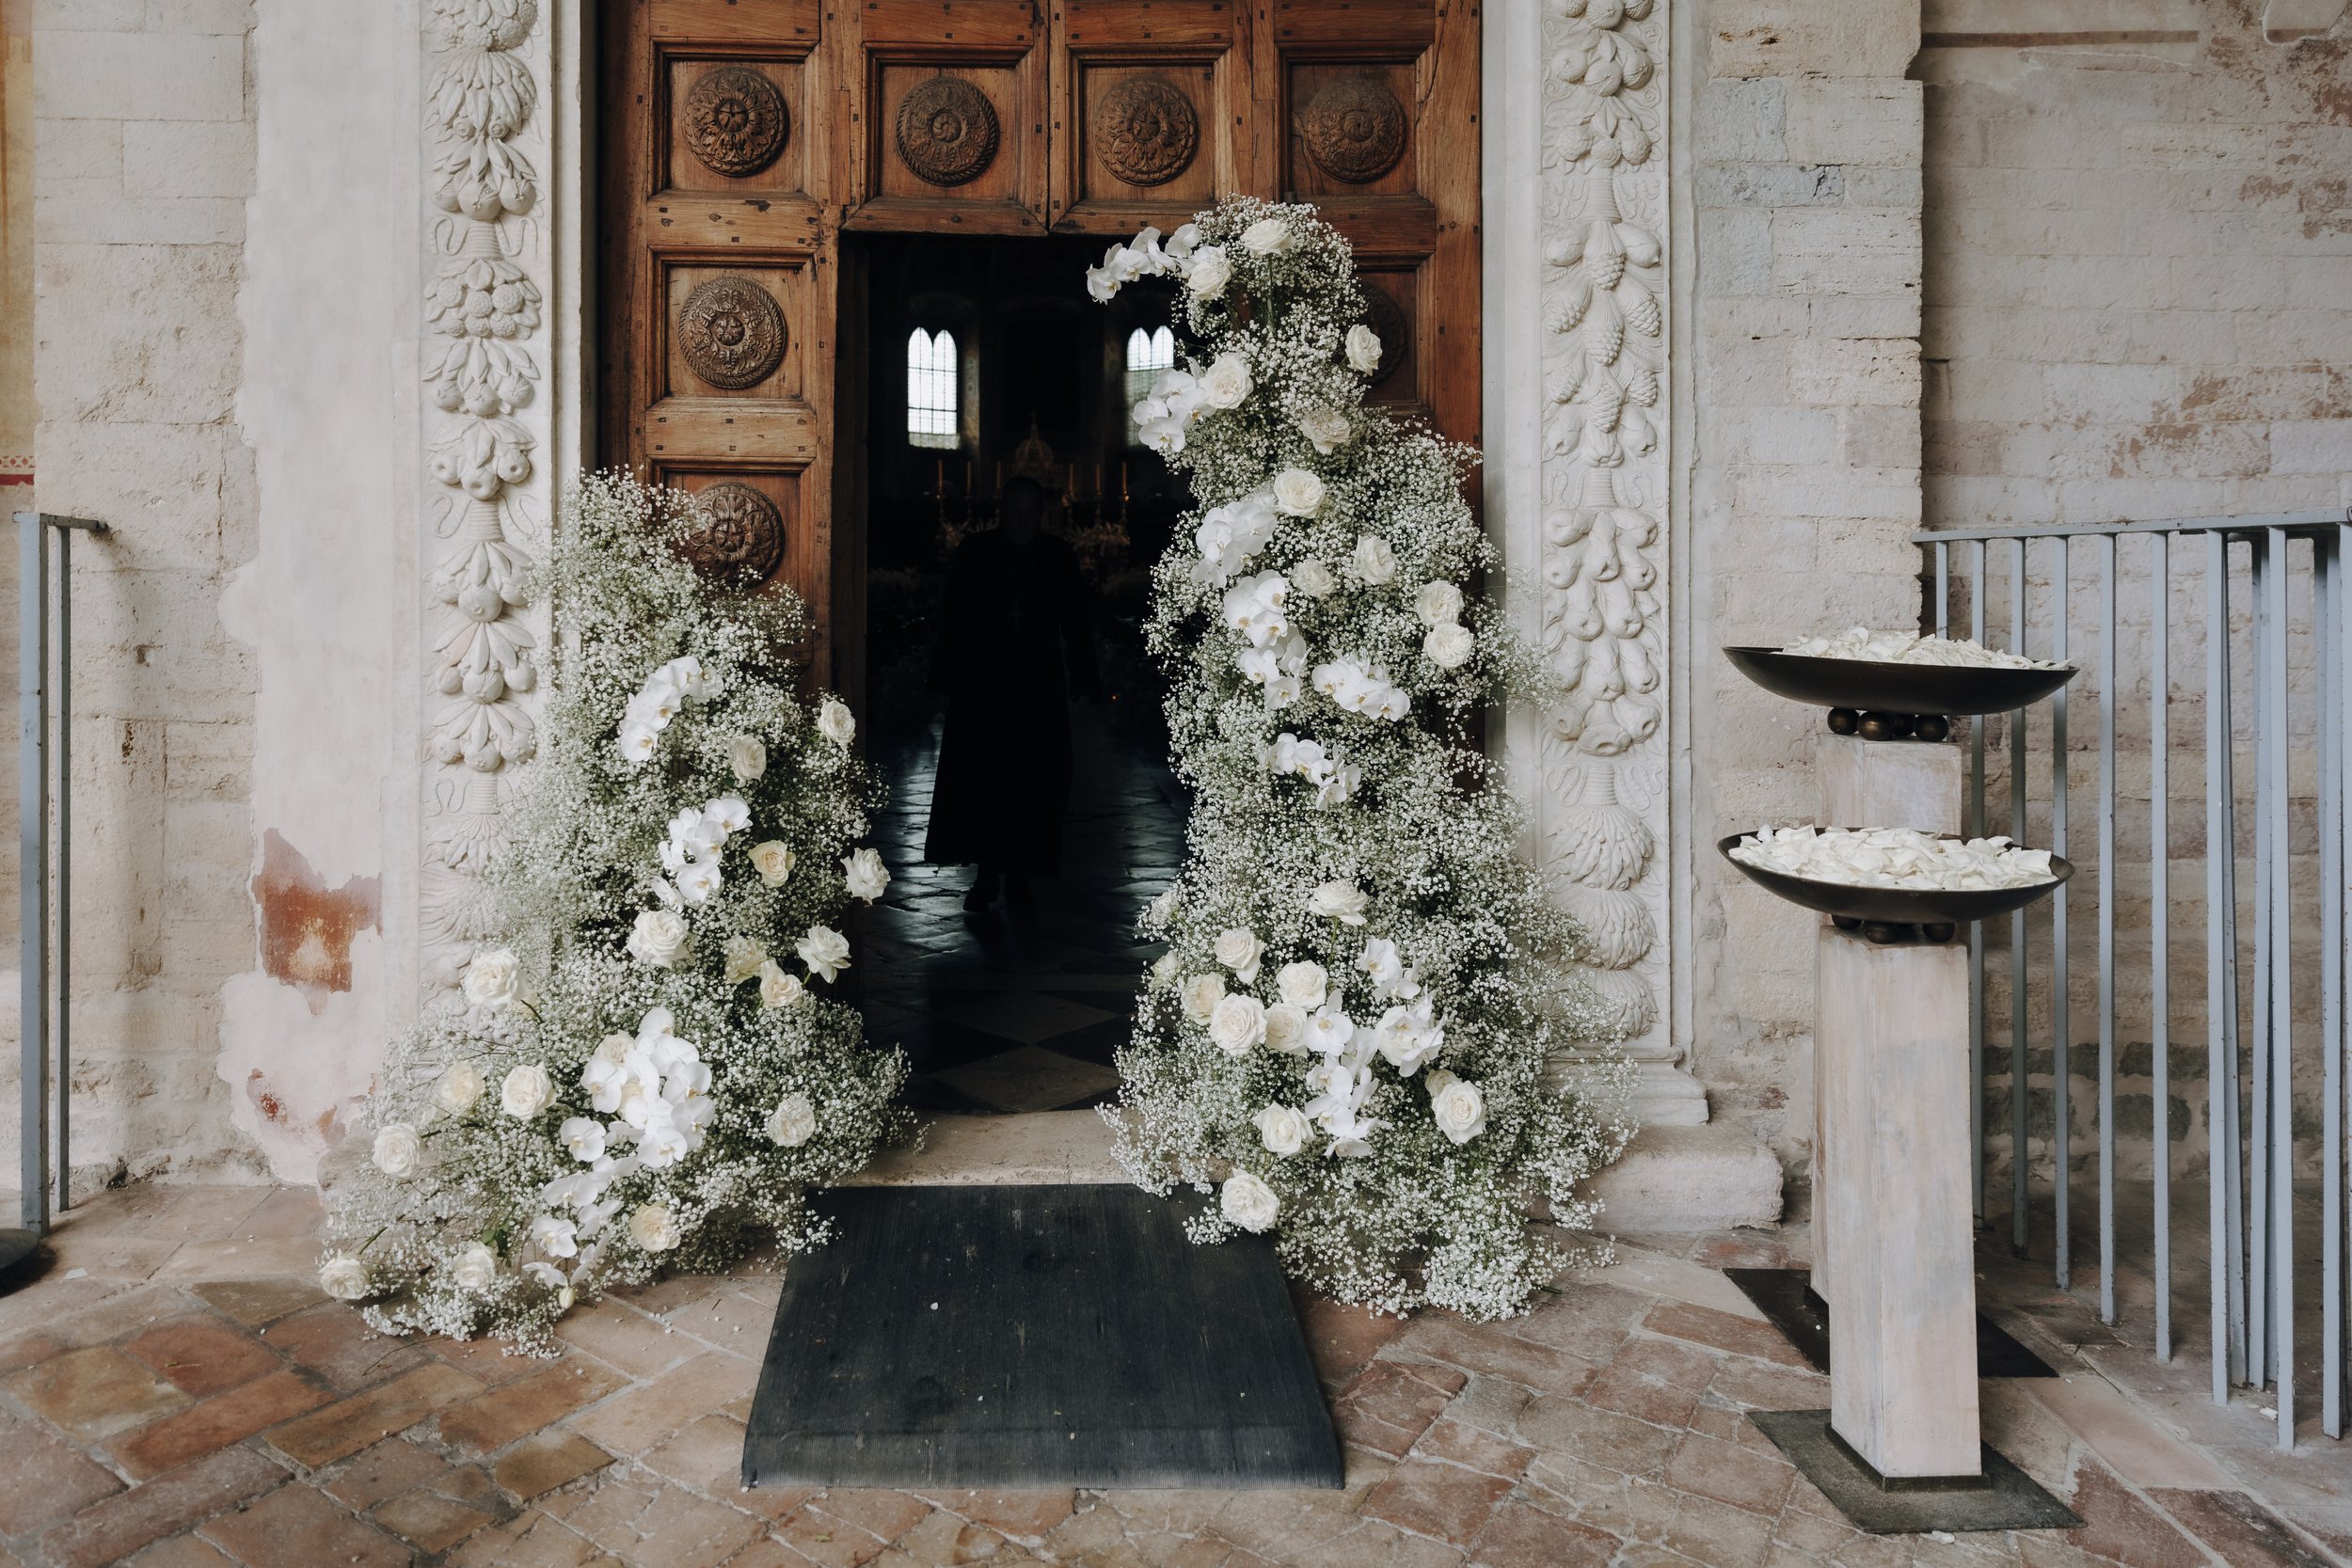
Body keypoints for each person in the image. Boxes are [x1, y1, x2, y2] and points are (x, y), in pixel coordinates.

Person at [925, 476, 1099, 911]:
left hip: (1038, 687)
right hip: (981, 685)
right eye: (1014, 513)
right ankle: (985, 877)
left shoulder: (1058, 555)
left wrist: (1083, 678)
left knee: (1033, 783)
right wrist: (943, 680)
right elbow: (953, 620)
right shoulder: (976, 552)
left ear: (1042, 514)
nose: (1022, 522)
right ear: (1002, 511)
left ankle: (1021, 875)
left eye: (1030, 514)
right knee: (983, 782)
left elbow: (1077, 621)